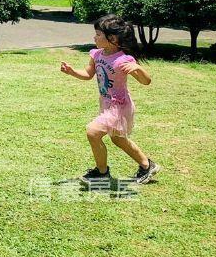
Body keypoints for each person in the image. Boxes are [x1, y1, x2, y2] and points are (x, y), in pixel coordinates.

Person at [60, 14, 160, 186]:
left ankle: (101, 173)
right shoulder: (97, 54)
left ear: (112, 38)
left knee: (92, 132)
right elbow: (88, 74)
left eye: (98, 34)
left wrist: (137, 68)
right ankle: (147, 165)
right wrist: (72, 71)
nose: (95, 37)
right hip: (106, 104)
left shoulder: (123, 60)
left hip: (120, 107)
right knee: (118, 139)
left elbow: (146, 81)